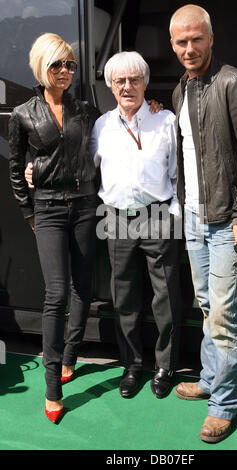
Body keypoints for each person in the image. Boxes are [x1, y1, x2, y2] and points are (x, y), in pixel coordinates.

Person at [169, 4, 237, 442]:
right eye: (181, 41)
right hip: (195, 216)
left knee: (223, 316)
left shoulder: (234, 83)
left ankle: (225, 403)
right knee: (207, 306)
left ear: (211, 39)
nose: (189, 48)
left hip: (227, 221)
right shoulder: (181, 89)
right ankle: (212, 380)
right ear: (173, 44)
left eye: (197, 39)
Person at [8, 33, 100, 423]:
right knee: (56, 293)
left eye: (70, 65)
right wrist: (28, 212)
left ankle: (70, 355)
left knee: (84, 287)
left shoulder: (86, 110)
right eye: (57, 65)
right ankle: (51, 386)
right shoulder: (22, 114)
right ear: (41, 67)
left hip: (83, 207)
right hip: (46, 210)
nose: (65, 72)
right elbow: (16, 167)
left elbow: (113, 136)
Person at [90, 51, 181, 399]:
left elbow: (178, 173)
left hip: (158, 215)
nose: (127, 86)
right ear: (111, 86)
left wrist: (174, 212)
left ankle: (164, 366)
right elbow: (84, 167)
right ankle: (132, 365)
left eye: (134, 79)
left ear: (145, 82)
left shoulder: (166, 121)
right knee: (124, 297)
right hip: (115, 218)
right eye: (120, 81)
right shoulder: (101, 126)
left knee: (166, 298)